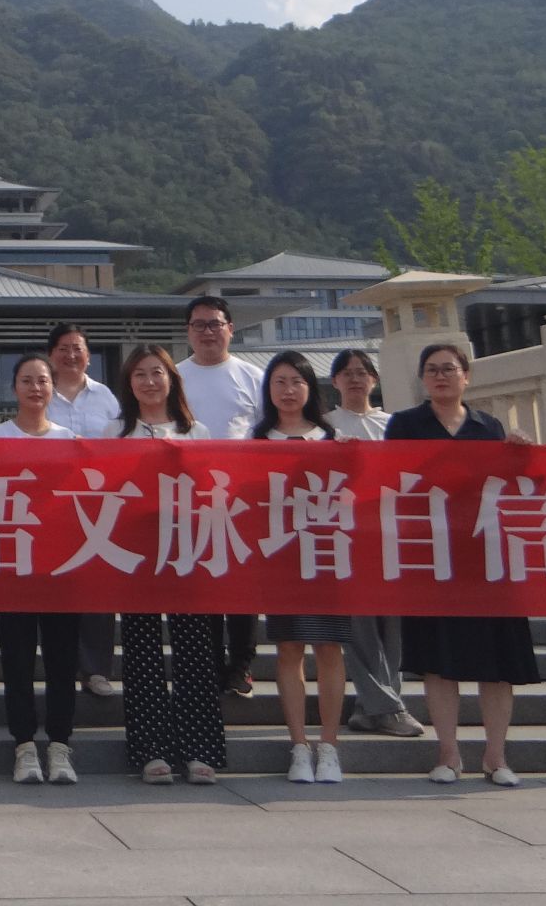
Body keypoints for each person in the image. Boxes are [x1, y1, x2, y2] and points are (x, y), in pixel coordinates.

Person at [387, 343, 540, 786]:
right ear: (422, 379)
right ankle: (448, 753)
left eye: (449, 369)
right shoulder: (404, 425)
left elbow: (510, 484)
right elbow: (390, 479)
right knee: (438, 659)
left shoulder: (488, 427)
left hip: (487, 558)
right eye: (432, 370)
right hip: (432, 557)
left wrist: (519, 451)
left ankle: (496, 755)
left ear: (466, 376)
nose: (441, 376)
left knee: (499, 661)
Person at [112, 345, 225, 786]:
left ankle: (199, 750)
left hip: (186, 550)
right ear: (129, 383)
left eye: (157, 372)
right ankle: (151, 749)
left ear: (172, 379)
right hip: (136, 553)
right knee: (141, 649)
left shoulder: (197, 431)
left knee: (195, 649)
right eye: (140, 374)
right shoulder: (114, 431)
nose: (149, 381)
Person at [0, 354, 81, 783]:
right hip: (13, 565)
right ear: (14, 388)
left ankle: (60, 746)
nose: (35, 388)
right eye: (27, 380)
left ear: (52, 388)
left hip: (61, 567)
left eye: (42, 381)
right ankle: (23, 745)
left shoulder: (69, 439)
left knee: (62, 661)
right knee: (17, 661)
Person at [252, 350, 346, 784]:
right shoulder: (257, 441)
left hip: (327, 555)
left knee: (329, 648)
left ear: (311, 388)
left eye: (297, 382)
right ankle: (299, 746)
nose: (288, 391)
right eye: (280, 382)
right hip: (282, 558)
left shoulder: (333, 438)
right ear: (268, 390)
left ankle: (329, 745)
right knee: (289, 649)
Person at [325, 348, 424, 740]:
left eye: (361, 372)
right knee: (359, 625)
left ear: (374, 379)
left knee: (392, 626)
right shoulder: (326, 425)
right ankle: (389, 707)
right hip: (346, 536)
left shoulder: (393, 424)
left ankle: (372, 709)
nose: (355, 379)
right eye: (346, 373)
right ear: (335, 381)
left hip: (389, 534)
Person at [177, 294, 261, 698]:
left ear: (231, 328)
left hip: (241, 499)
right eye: (199, 325)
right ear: (188, 332)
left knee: (241, 587)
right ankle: (209, 663)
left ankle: (241, 664)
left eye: (215, 323)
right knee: (203, 587)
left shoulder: (254, 377)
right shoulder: (174, 377)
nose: (207, 332)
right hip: (189, 498)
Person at [46, 323, 122, 698]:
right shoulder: (41, 392)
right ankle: (62, 666)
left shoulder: (106, 397)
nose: (71, 355)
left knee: (97, 591)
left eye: (77, 348)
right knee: (57, 589)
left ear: (89, 356)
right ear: (51, 355)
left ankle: (95, 670)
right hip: (52, 507)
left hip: (97, 506)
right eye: (63, 348)